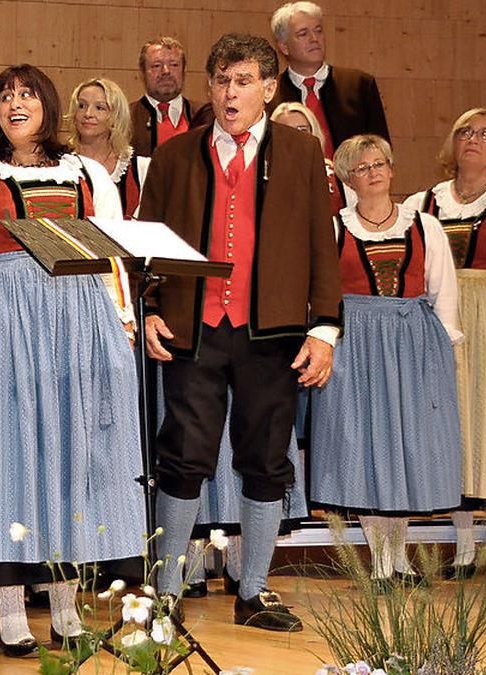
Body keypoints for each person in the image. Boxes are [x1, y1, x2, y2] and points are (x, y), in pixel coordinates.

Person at [0, 63, 143, 656]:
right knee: (10, 461)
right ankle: (9, 611)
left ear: (48, 106)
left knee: (72, 460)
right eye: (5, 96)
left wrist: (119, 323)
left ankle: (65, 607)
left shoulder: (87, 173)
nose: (15, 103)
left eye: (27, 94)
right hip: (4, 323)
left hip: (79, 322)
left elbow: (113, 258)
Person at [139, 33, 341, 631]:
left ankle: (253, 591)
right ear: (209, 87)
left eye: (245, 80)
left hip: (271, 332)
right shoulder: (175, 155)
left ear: (270, 89)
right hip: (193, 331)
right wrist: (151, 308)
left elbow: (321, 250)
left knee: (266, 458)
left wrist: (324, 329)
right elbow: (148, 245)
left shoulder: (303, 153)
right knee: (182, 456)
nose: (232, 92)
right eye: (223, 81)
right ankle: (167, 594)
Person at [310, 134, 463, 587]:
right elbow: (321, 294)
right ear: (347, 178)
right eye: (362, 167)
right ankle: (379, 559)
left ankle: (399, 556)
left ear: (392, 170)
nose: (373, 172)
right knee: (365, 449)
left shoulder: (425, 226)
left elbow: (443, 294)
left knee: (406, 451)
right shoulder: (335, 227)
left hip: (413, 346)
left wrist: (443, 351)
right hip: (356, 345)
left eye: (380, 163)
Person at [404, 108, 486, 579]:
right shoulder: (423, 203)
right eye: (465, 132)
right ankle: (465, 543)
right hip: (439, 318)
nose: (474, 140)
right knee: (454, 424)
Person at [270, 1, 390, 158]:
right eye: (303, 34)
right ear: (284, 46)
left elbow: (381, 147)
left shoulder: (359, 85)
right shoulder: (270, 94)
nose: (314, 38)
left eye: (318, 31)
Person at [66, 77, 149, 218]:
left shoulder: (141, 170)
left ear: (116, 116)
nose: (88, 114)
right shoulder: (61, 166)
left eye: (100, 108)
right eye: (82, 106)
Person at [129, 37, 211, 157]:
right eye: (156, 66)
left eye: (174, 65)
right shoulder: (125, 118)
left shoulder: (206, 116)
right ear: (142, 73)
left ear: (184, 71)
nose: (166, 71)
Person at [272, 101, 353, 212]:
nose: (297, 137)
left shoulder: (335, 173)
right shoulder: (264, 177)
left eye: (303, 130)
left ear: (313, 132)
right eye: (287, 131)